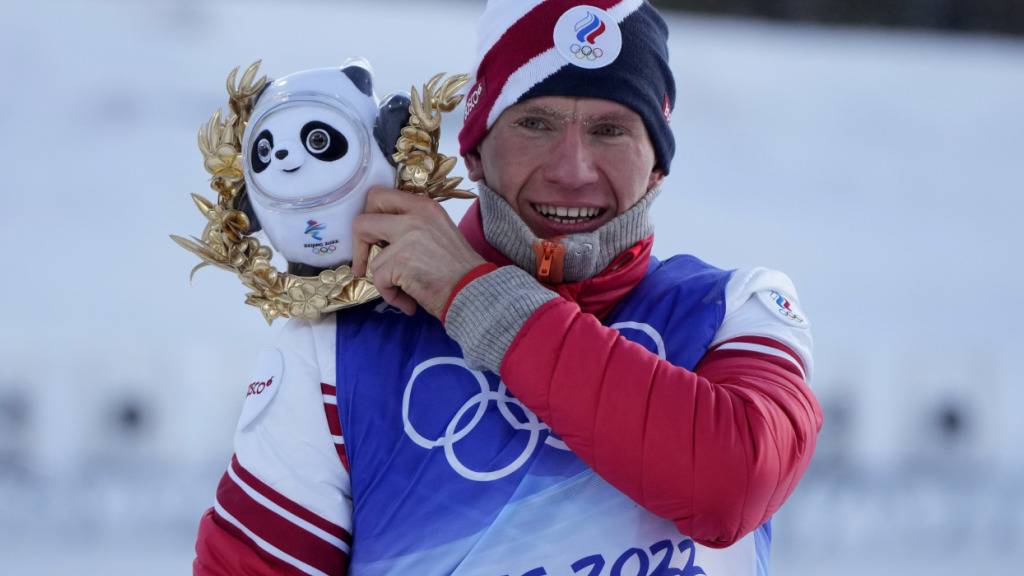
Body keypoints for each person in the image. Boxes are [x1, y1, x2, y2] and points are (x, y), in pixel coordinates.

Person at [193, 1, 823, 574]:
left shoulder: (732, 309)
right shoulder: (336, 350)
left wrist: (474, 295)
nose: (572, 170)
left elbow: (731, 484)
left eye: (610, 130)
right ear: (473, 152)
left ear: (657, 163)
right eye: (535, 124)